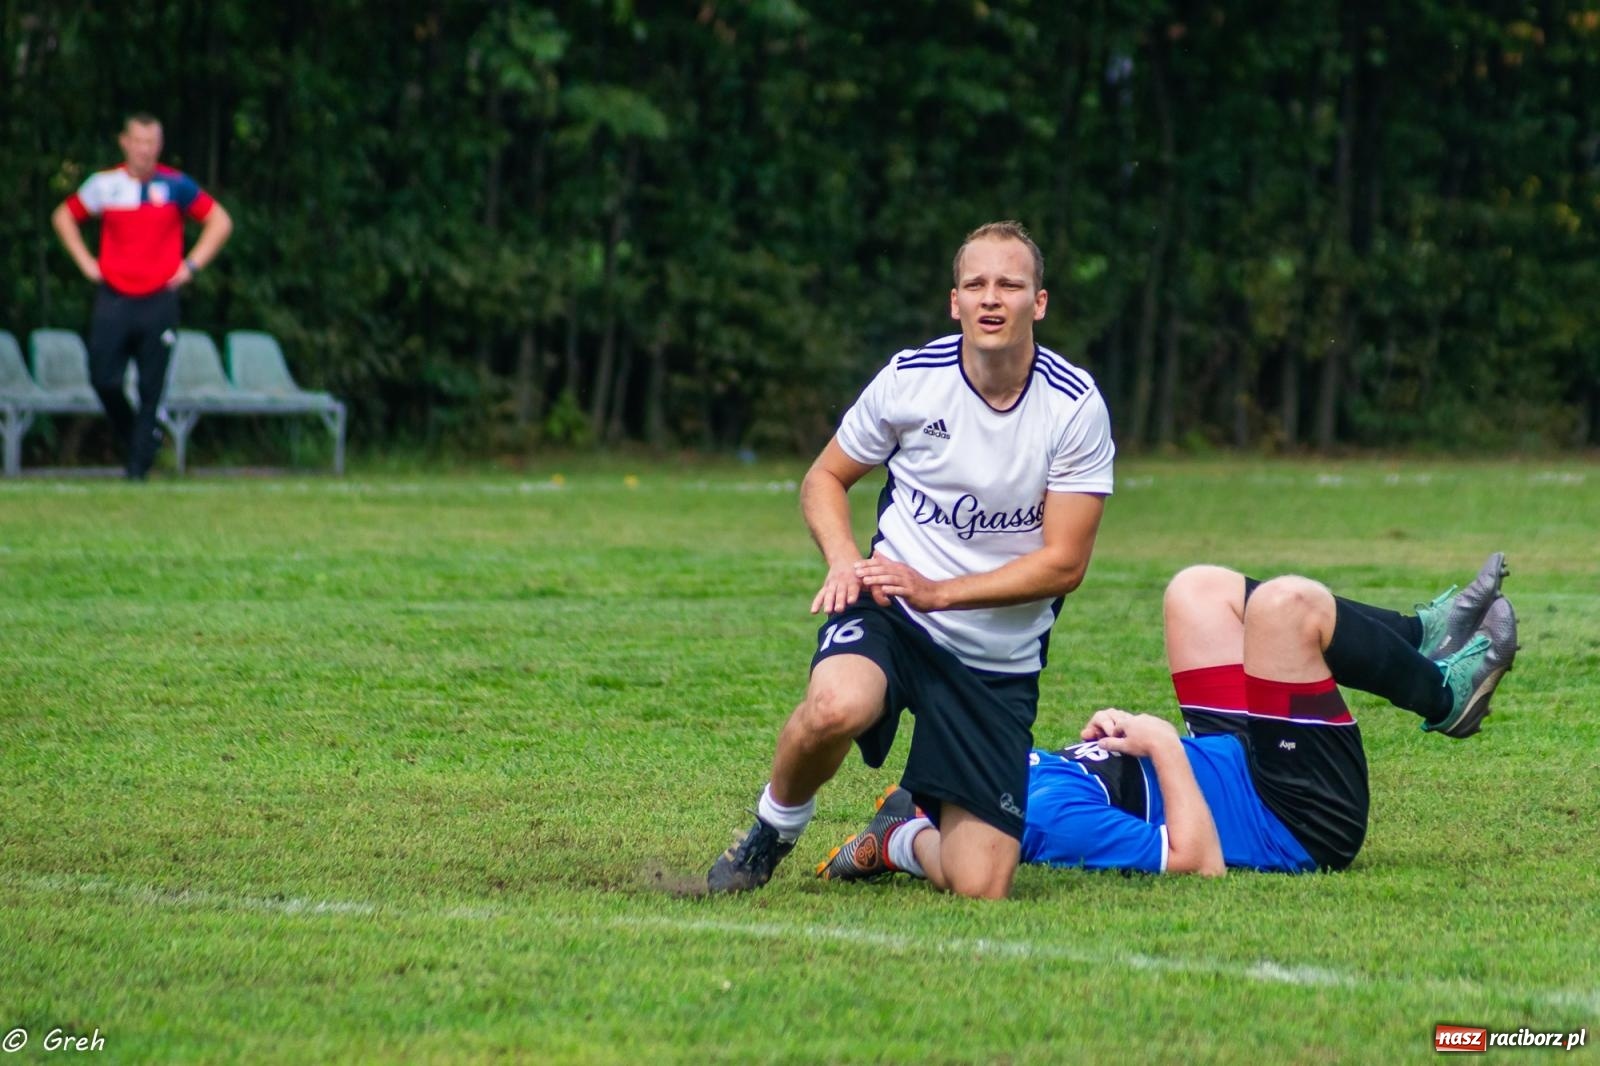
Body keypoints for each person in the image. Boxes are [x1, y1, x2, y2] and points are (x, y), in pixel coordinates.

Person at [707, 221, 1115, 899]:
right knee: (836, 705)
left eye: (1010, 285)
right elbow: (824, 478)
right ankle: (771, 831)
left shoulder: (1073, 406)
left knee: (982, 884)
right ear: (955, 301)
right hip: (894, 612)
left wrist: (942, 591)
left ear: (1038, 302)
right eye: (975, 284)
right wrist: (844, 560)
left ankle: (895, 837)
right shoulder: (910, 379)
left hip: (995, 658)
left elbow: (1064, 565)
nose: (991, 298)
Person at [817, 553, 1518, 882]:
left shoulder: (1018, 774)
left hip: (1236, 757)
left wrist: (1115, 733)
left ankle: (1418, 636)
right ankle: (1444, 698)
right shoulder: (1044, 820)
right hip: (1297, 815)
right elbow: (1196, 860)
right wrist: (1159, 744)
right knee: (1284, 607)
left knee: (1196, 589)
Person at [51, 113, 233, 479]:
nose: (144, 150)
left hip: (159, 298)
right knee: (104, 377)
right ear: (125, 143)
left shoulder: (176, 185)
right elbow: (63, 217)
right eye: (138, 141)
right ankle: (140, 438)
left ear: (159, 146)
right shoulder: (105, 185)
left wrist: (190, 266)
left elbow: (220, 221)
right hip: (115, 296)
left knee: (152, 386)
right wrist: (87, 263)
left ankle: (137, 470)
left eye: (151, 143)